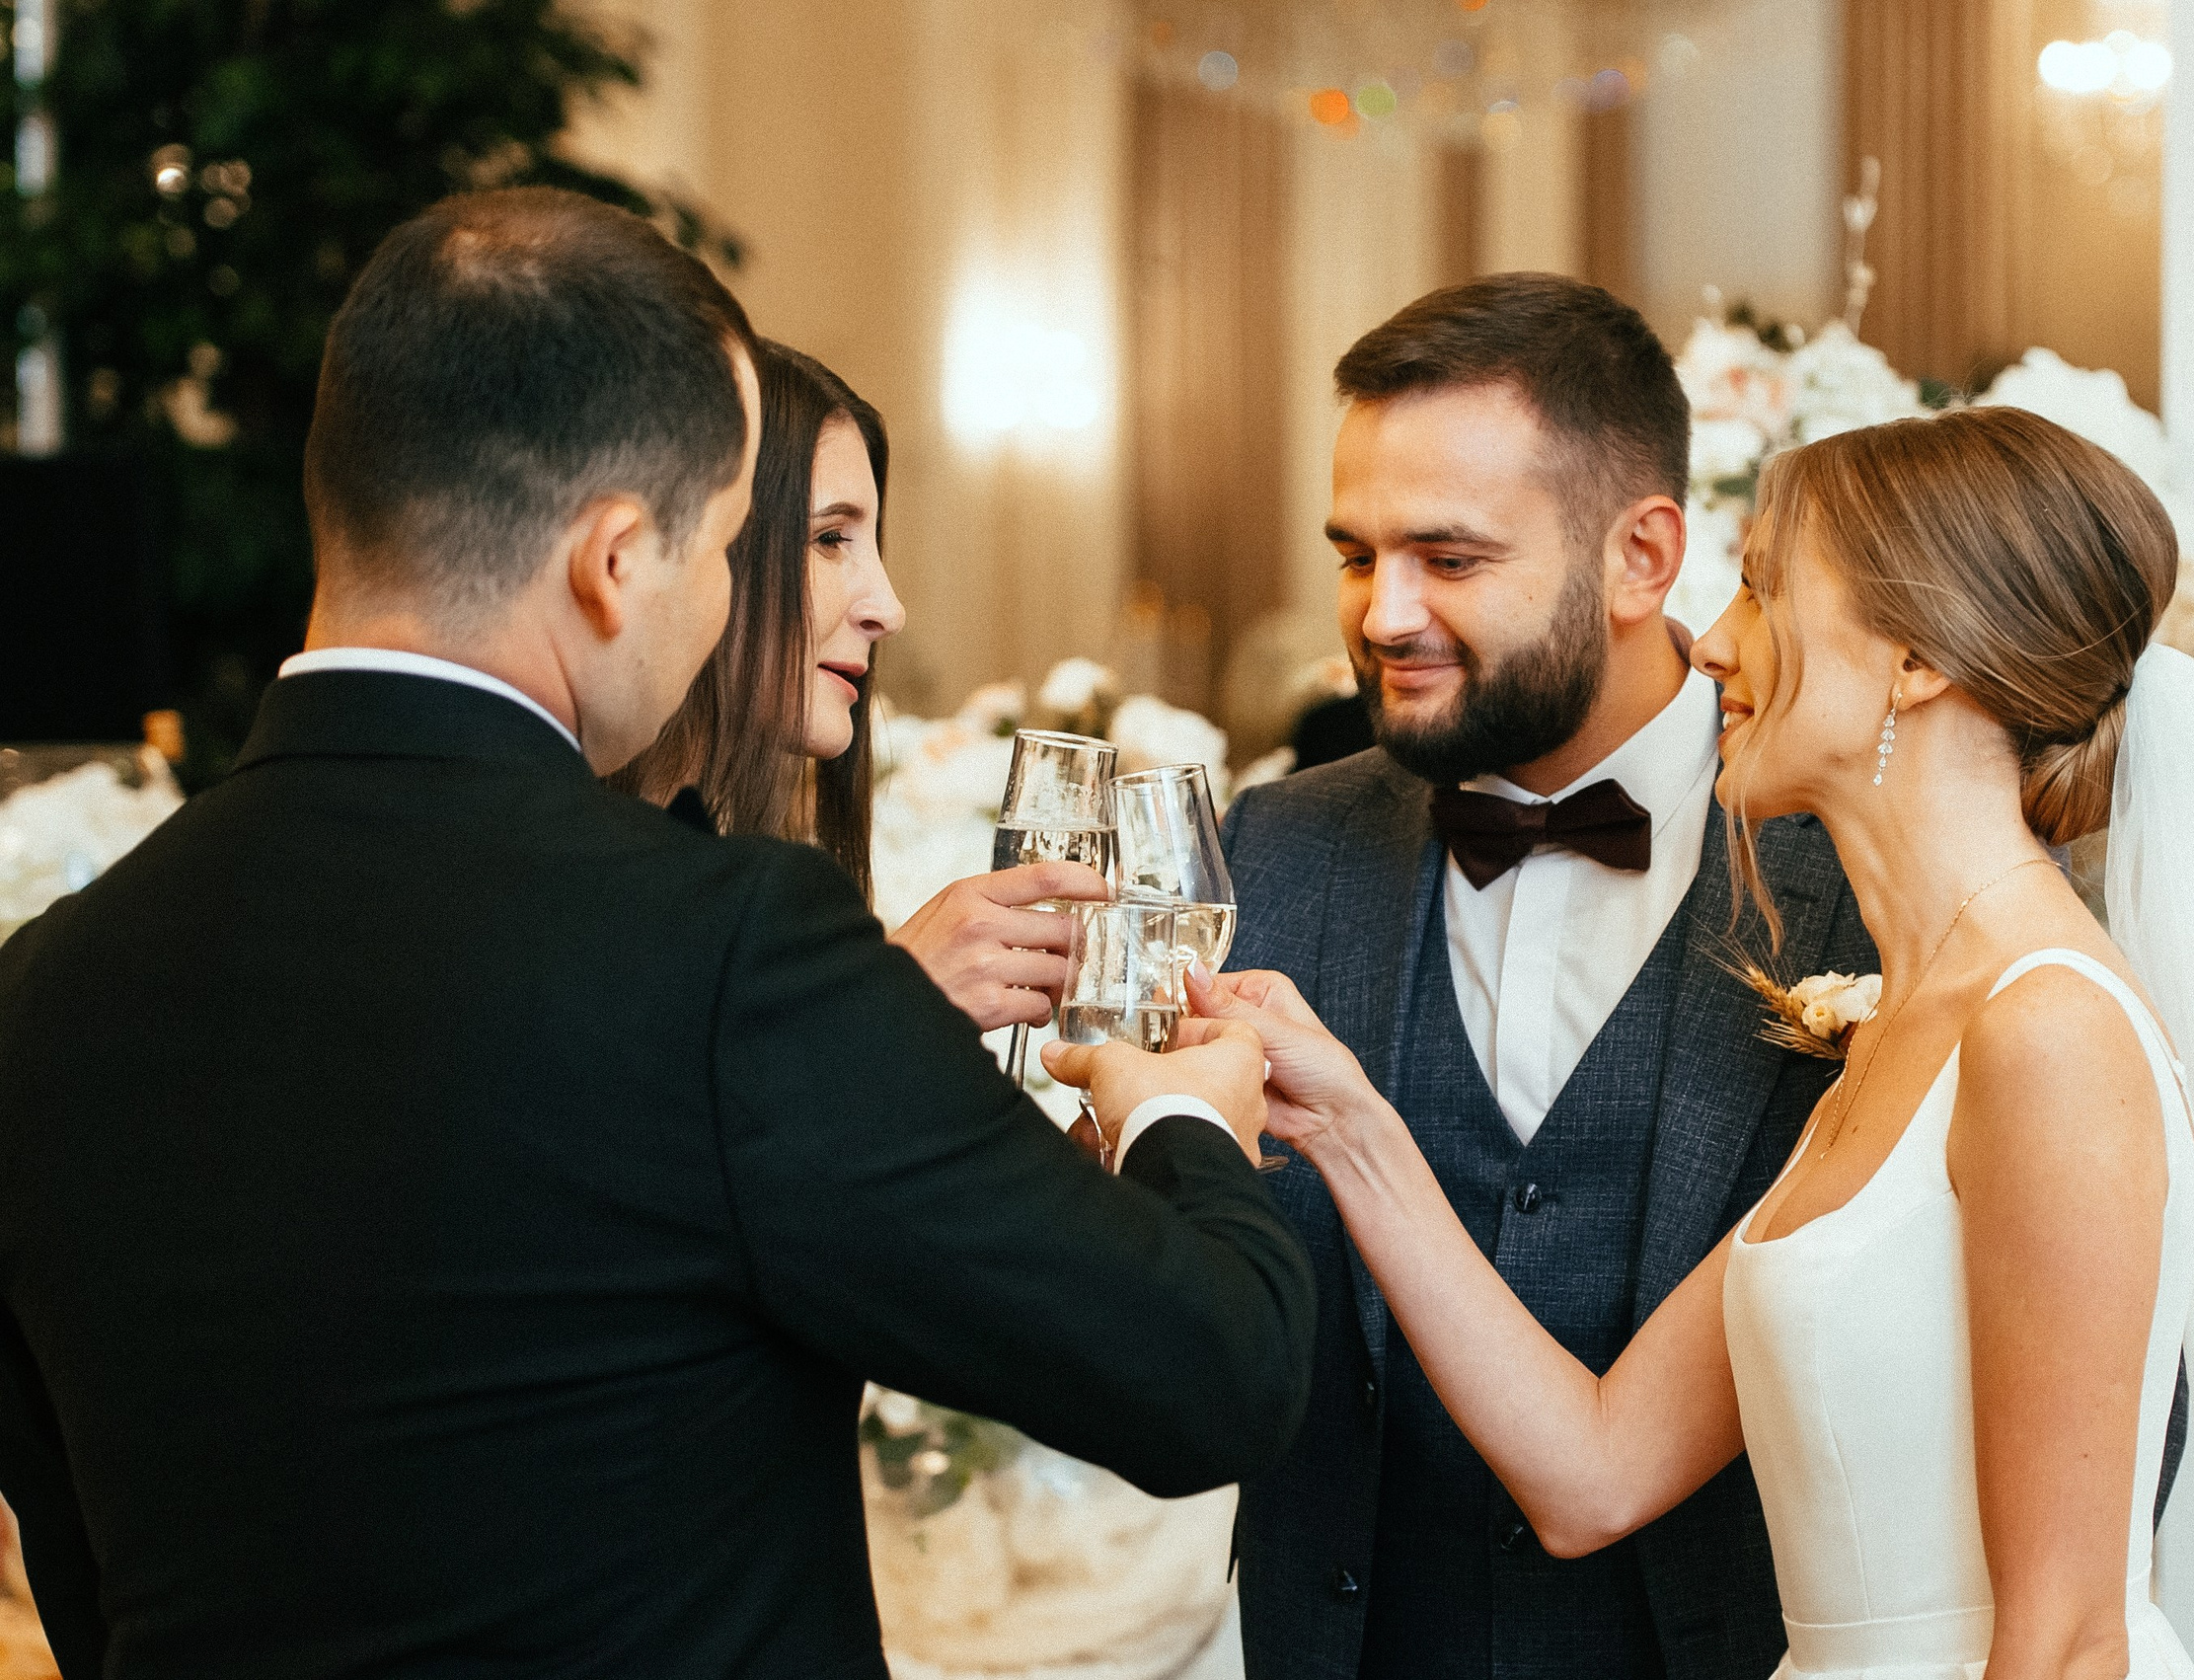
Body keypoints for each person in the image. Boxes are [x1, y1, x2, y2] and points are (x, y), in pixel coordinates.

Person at [0, 187, 1312, 1680]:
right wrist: (1189, 1126)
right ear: (614, 561)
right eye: (730, 545)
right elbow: (1218, 1371)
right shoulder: (723, 949)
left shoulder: (41, 993)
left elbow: (95, 1592)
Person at [1160, 406, 2194, 1679]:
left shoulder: (2045, 1029)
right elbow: (1593, 1470)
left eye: (1761, 587)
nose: (1710, 643)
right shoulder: (1898, 1024)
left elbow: (2065, 1641)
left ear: (1920, 659)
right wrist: (1345, 1121)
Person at [1178, 272, 1879, 1680]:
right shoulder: (1281, 845)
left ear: (1643, 555)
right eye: (1356, 553)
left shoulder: (1862, 880)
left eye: (1449, 556)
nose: (1382, 614)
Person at [610, 340, 1099, 1031]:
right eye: (830, 538)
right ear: (704, 548)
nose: (889, 609)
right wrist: (888, 1001)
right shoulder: (585, 883)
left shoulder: (731, 877)